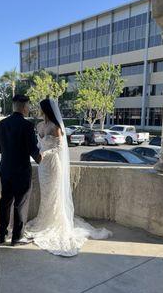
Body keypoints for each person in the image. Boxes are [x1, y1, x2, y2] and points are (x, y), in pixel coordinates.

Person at [22, 98, 112, 257]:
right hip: (42, 166)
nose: (38, 110)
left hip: (53, 164)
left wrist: (45, 154)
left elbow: (59, 147)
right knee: (46, 194)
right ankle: (44, 220)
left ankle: (55, 222)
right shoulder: (39, 125)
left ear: (46, 110)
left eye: (40, 108)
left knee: (54, 194)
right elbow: (38, 145)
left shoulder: (56, 127)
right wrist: (36, 154)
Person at [0, 94, 42, 246]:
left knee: (5, 201)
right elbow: (34, 151)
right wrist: (42, 159)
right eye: (28, 106)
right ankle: (17, 237)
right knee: (20, 204)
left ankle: (2, 234)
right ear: (23, 107)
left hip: (5, 169)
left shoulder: (1, 124)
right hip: (21, 170)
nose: (29, 108)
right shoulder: (27, 126)